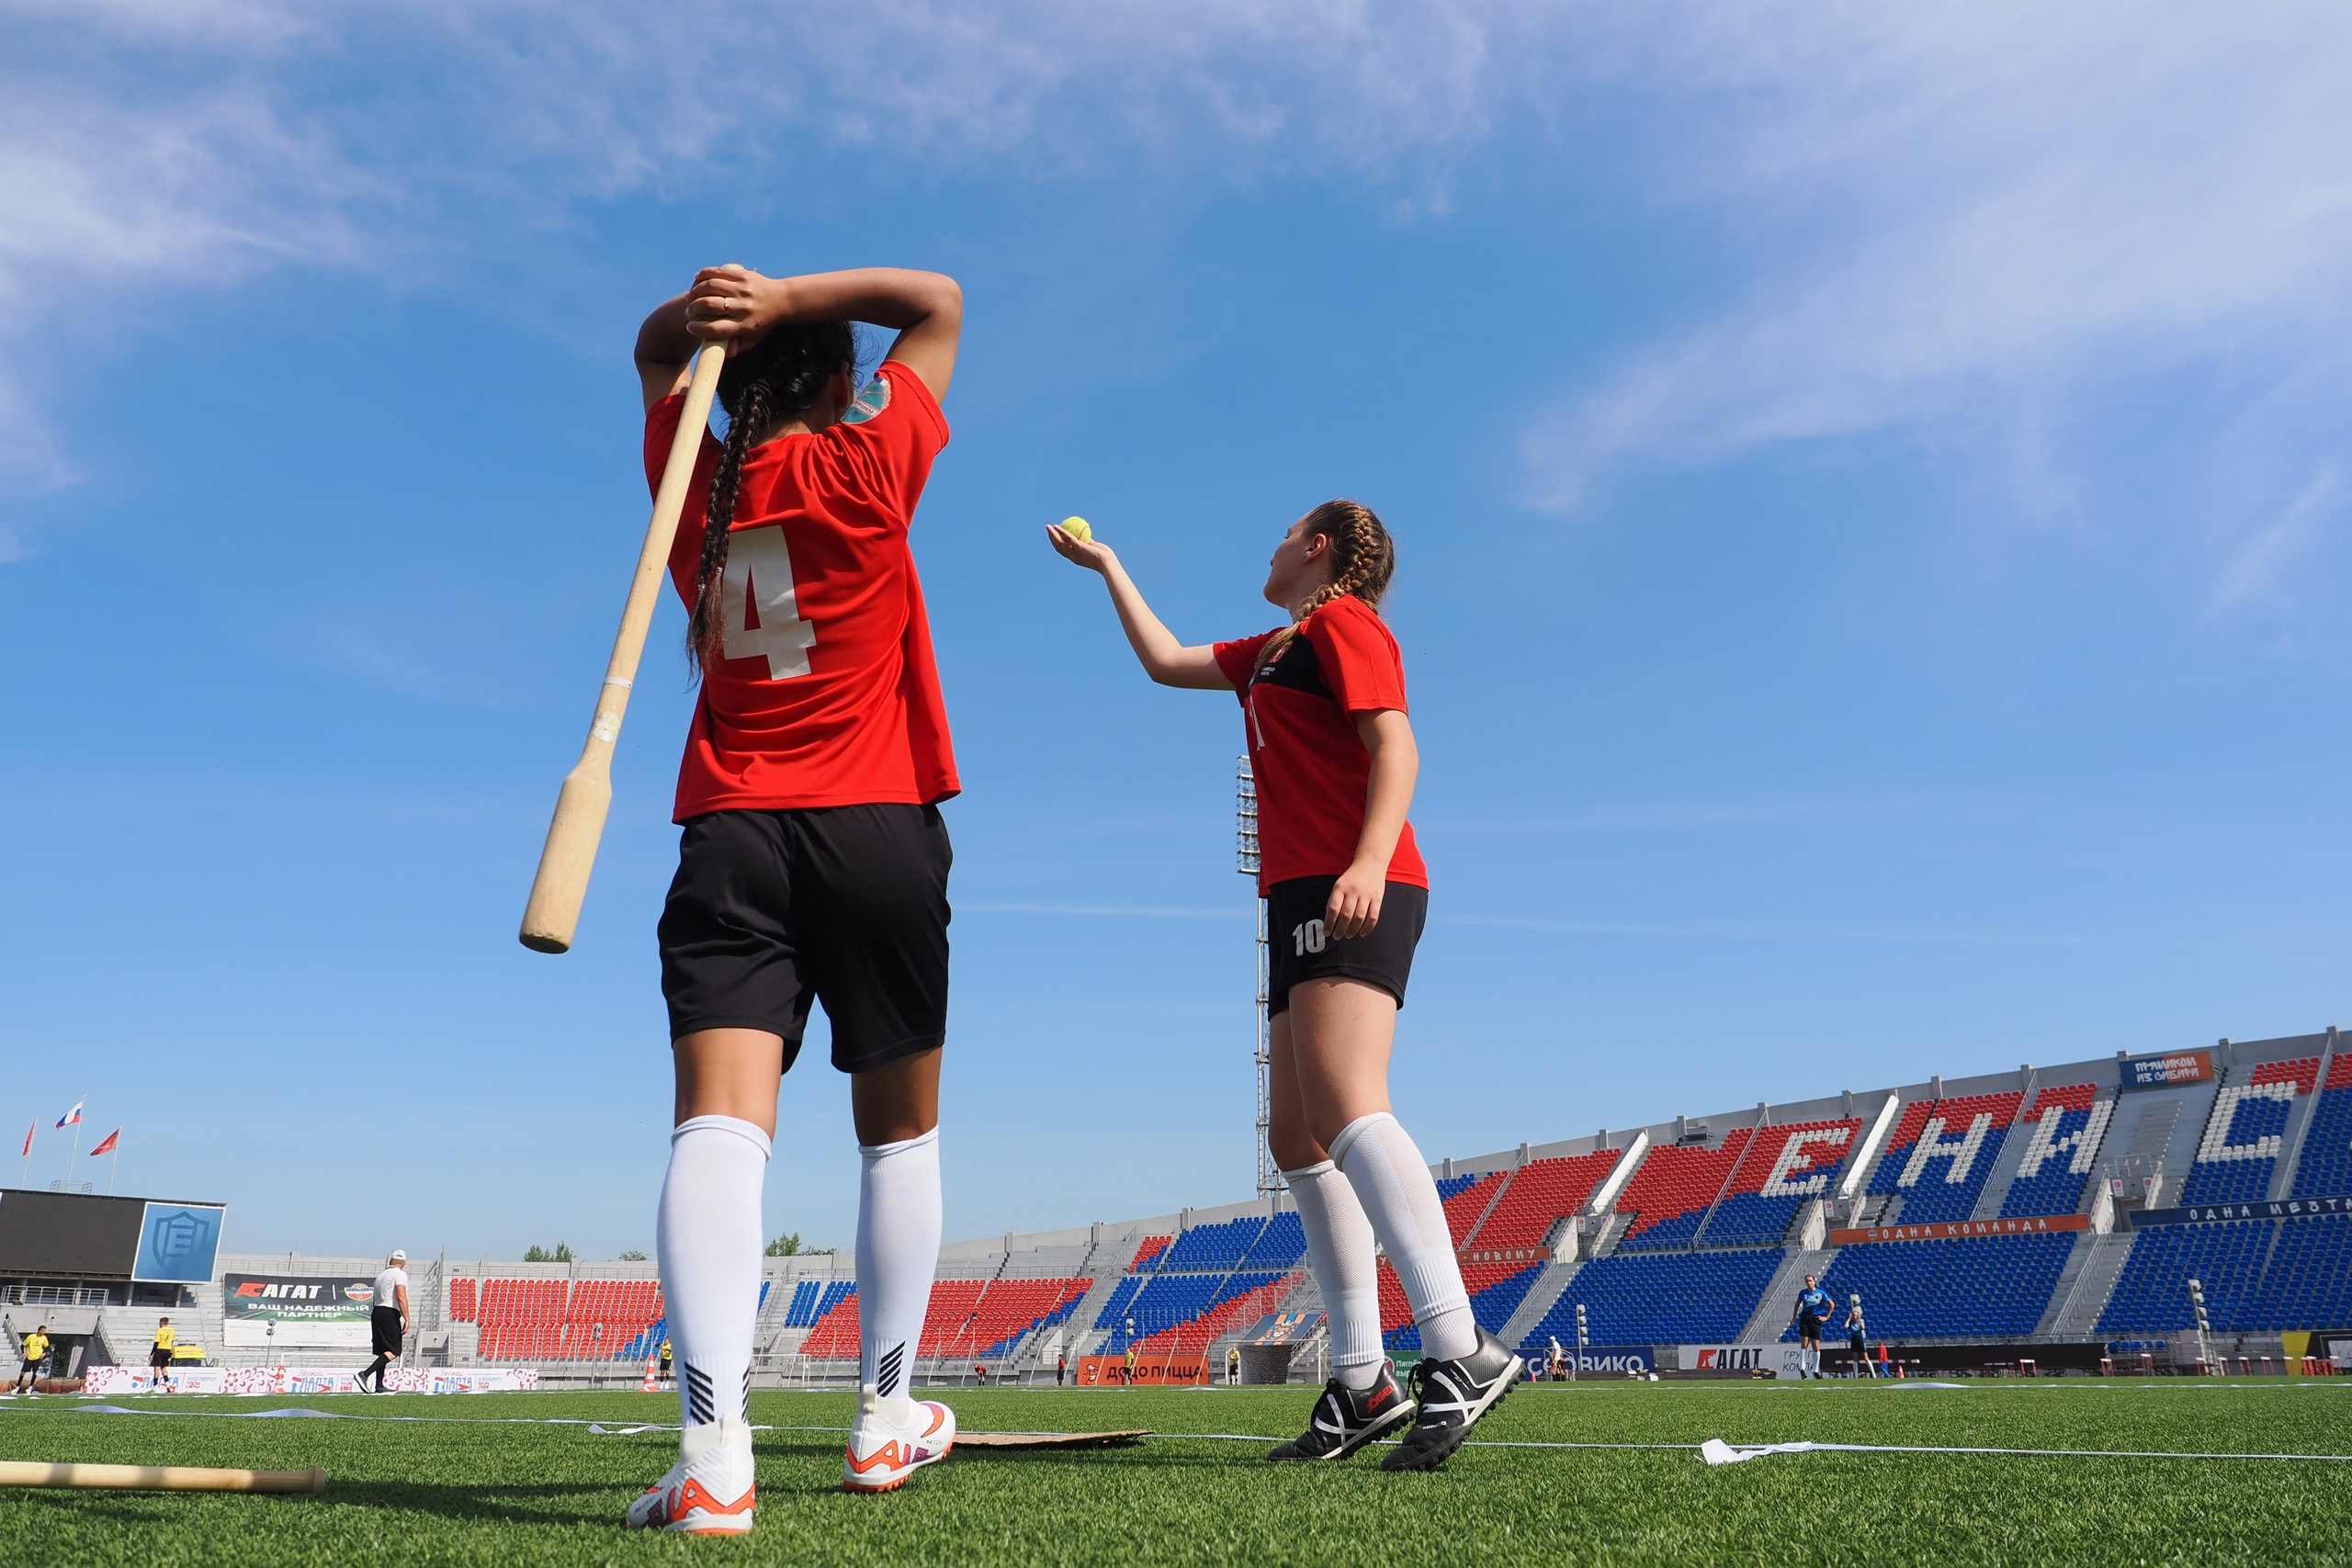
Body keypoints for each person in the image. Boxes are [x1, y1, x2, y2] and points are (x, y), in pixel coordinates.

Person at [1049, 502, 1521, 1472]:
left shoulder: (1346, 625)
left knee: (1350, 1106)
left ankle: (1461, 1348)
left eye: (1283, 533)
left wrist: (1367, 861)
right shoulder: (1276, 646)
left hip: (1359, 880)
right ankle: (1360, 1381)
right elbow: (1167, 661)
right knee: (1296, 1136)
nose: (1266, 546)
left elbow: (1397, 745)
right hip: (1301, 889)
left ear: (1320, 549)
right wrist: (1109, 568)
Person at [623, 263, 964, 1532]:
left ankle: (714, 1456)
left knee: (717, 1126)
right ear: (838, 377)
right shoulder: (870, 460)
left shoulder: (696, 487)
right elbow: (938, 300)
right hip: (876, 822)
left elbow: (652, 347)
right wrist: (785, 298)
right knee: (898, 1129)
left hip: (730, 831)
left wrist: (709, 320)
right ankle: (886, 1418)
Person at [356, 1250, 412, 1393]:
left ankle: (379, 1385)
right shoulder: (400, 1274)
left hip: (377, 1311)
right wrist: (407, 1317)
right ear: (403, 1264)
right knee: (394, 1350)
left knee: (383, 1350)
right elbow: (401, 1296)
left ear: (390, 1262)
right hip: (389, 1311)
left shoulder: (381, 1276)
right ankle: (365, 1374)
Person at [1792, 1273, 1835, 1380]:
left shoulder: (1820, 1293)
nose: (1809, 1283)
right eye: (1807, 1281)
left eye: (1810, 1281)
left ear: (1814, 1281)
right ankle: (1802, 1369)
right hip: (1805, 1318)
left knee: (1815, 1345)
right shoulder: (1803, 1293)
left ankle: (1816, 1370)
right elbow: (1797, 1304)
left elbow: (1832, 1304)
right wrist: (1794, 1317)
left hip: (1816, 1319)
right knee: (1804, 1343)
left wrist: (1826, 1317)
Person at [1845, 1294, 1875, 1379]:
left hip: (1860, 1339)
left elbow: (1863, 1328)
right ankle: (1856, 1375)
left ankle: (1873, 1374)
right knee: (1855, 1357)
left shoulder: (1860, 1321)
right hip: (1854, 1339)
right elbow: (1846, 1326)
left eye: (1855, 1315)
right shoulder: (1851, 1322)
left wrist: (1859, 1319)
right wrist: (1849, 1317)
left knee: (1865, 1357)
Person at [16, 1324, 50, 1395]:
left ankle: (30, 1387)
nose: (44, 1332)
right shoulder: (31, 1337)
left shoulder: (44, 1338)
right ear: (39, 1331)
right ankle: (17, 1387)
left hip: (37, 1358)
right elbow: (23, 1345)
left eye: (44, 1331)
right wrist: (23, 1353)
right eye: (43, 1331)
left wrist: (44, 1353)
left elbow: (47, 1347)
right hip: (29, 1357)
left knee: (35, 1372)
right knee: (23, 1372)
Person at [150, 1316, 176, 1392]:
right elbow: (171, 1341)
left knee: (157, 1368)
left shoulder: (160, 1331)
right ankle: (168, 1386)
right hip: (167, 1350)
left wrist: (152, 1354)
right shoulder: (172, 1330)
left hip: (160, 1350)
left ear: (161, 1323)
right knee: (164, 1368)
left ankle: (155, 1387)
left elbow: (156, 1343)